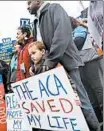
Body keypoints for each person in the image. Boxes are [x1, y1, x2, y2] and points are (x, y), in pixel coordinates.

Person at [27, 0, 100, 130]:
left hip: (66, 64)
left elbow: (62, 35)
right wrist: (36, 66)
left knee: (81, 100)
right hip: (54, 66)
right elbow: (41, 47)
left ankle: (95, 128)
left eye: (29, 3)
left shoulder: (54, 8)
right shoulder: (37, 21)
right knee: (66, 105)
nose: (27, 7)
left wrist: (50, 60)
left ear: (37, 1)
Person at [70, 17, 104, 123]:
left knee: (97, 87)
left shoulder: (80, 29)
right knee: (88, 90)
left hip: (90, 60)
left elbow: (78, 42)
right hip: (80, 63)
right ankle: (98, 117)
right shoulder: (71, 32)